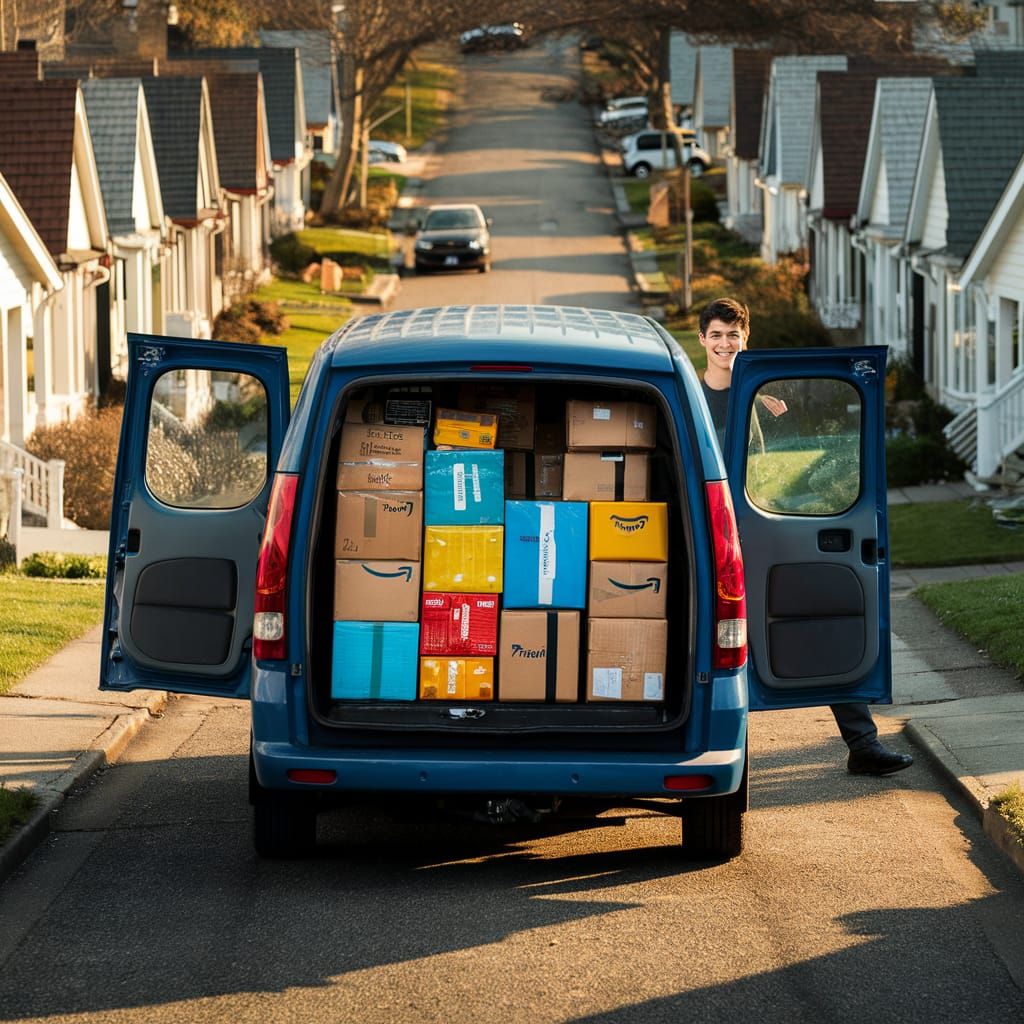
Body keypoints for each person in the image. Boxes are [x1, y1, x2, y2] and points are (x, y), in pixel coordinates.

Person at [698, 296, 913, 777]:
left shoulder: (762, 396)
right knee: (722, 646)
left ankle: (864, 744)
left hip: (763, 527)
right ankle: (726, 756)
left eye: (733, 335)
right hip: (712, 538)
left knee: (820, 625)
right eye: (716, 335)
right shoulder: (694, 397)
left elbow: (785, 462)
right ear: (702, 340)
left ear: (745, 338)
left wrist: (779, 411)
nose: (725, 343)